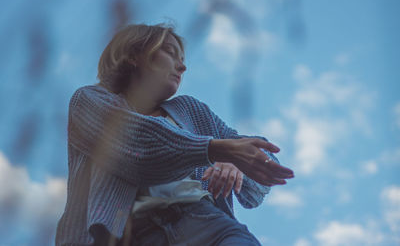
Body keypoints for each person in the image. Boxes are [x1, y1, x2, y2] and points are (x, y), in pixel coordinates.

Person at [55, 23, 294, 246]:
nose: (182, 66)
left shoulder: (191, 110)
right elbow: (138, 147)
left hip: (210, 226)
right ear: (132, 56)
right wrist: (216, 150)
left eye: (182, 59)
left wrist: (235, 163)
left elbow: (261, 157)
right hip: (131, 235)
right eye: (170, 52)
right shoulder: (88, 101)